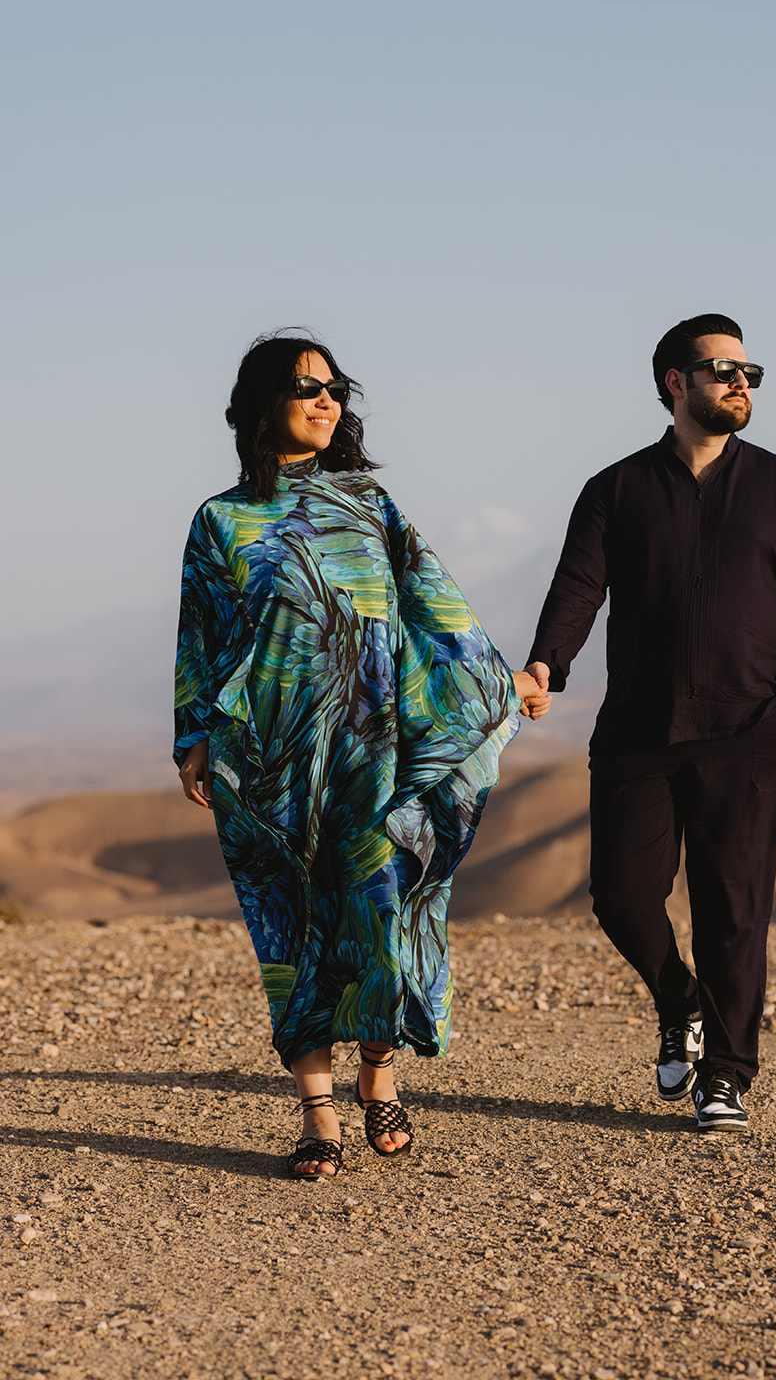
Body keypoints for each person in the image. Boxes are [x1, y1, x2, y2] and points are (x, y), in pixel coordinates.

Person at [175, 332, 549, 1176]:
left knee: (383, 915)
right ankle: (317, 1118)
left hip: (372, 754)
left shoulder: (368, 504)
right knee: (290, 928)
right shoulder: (220, 520)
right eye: (306, 386)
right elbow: (200, 637)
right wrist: (192, 736)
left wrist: (497, 684)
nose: (325, 400)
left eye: (335, 387)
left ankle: (379, 1085)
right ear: (263, 399)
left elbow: (434, 608)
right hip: (269, 761)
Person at [525, 314, 776, 1132]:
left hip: (750, 733)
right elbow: (576, 589)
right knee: (621, 895)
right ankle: (679, 997)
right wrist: (544, 666)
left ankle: (726, 1075)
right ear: (675, 383)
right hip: (638, 729)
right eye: (722, 370)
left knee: (734, 908)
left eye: (748, 372)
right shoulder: (615, 489)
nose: (741, 383)